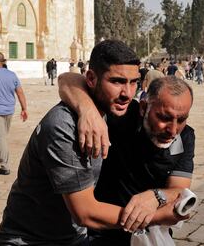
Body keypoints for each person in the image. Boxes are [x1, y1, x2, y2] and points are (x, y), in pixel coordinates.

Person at [0, 40, 183, 246]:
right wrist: (157, 216)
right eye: (117, 81)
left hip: (74, 238)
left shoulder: (108, 110)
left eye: (133, 82)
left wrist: (88, 109)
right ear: (92, 79)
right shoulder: (63, 126)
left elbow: (69, 79)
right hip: (32, 240)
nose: (127, 93)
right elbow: (85, 213)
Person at [59, 75, 195, 245]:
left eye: (181, 119)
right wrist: (88, 111)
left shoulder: (185, 136)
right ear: (144, 107)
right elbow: (67, 80)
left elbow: (179, 188)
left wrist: (155, 196)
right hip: (101, 232)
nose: (173, 130)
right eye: (164, 118)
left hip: (146, 236)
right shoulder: (123, 116)